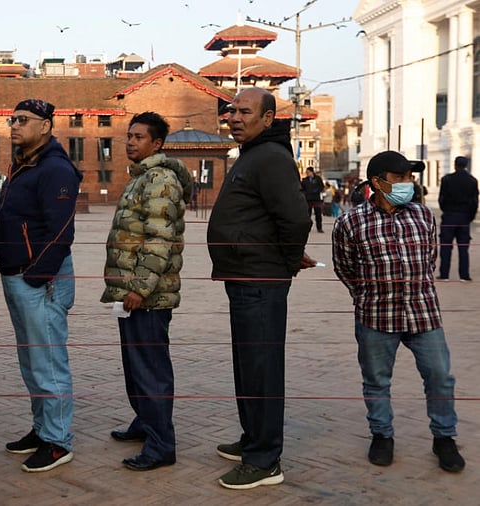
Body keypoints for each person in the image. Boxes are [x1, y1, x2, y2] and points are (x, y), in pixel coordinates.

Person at [207, 88, 315, 490]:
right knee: (247, 365)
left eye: (244, 111)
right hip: (246, 276)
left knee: (262, 370)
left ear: (268, 119)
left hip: (261, 281)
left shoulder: (270, 157)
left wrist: (285, 262)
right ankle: (253, 439)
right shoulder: (253, 154)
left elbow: (295, 217)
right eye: (232, 111)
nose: (233, 117)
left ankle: (265, 459)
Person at [331, 150, 466, 473]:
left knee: (440, 377)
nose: (409, 183)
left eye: (410, 177)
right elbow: (345, 268)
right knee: (376, 380)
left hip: (423, 314)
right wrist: (367, 295)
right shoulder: (351, 221)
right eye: (401, 177)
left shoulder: (422, 216)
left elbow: (429, 259)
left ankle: (444, 437)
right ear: (378, 183)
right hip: (376, 316)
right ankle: (382, 434)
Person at [0, 98, 82, 473]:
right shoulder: (23, 164)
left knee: (48, 363)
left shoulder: (55, 168)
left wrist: (35, 275)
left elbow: (62, 231)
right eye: (12, 119)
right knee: (32, 362)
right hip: (19, 275)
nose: (14, 125)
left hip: (38, 280)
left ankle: (58, 442)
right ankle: (43, 429)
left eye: (24, 120)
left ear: (45, 125)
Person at [101, 112, 192, 471]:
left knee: (151, 370)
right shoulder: (141, 178)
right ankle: (145, 422)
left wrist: (139, 287)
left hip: (149, 297)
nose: (131, 142)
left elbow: (159, 239)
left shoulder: (160, 180)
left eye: (139, 137)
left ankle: (160, 446)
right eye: (129, 136)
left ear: (157, 144)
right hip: (133, 294)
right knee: (136, 366)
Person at [438, 156, 478, 282]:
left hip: (449, 215)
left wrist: (446, 211)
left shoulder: (446, 179)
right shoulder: (472, 181)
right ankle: (464, 275)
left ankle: (444, 274)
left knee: (445, 246)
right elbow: (474, 202)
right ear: (466, 165)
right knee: (463, 247)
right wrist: (470, 217)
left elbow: (441, 199)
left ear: (455, 165)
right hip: (464, 217)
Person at [301, 166, 324, 232]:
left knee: (318, 214)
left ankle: (319, 228)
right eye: (306, 172)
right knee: (308, 215)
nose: (307, 173)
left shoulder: (318, 179)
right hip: (308, 199)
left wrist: (317, 190)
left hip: (316, 199)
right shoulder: (304, 180)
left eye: (308, 172)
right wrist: (305, 193)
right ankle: (307, 228)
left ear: (312, 172)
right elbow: (302, 188)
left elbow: (321, 187)